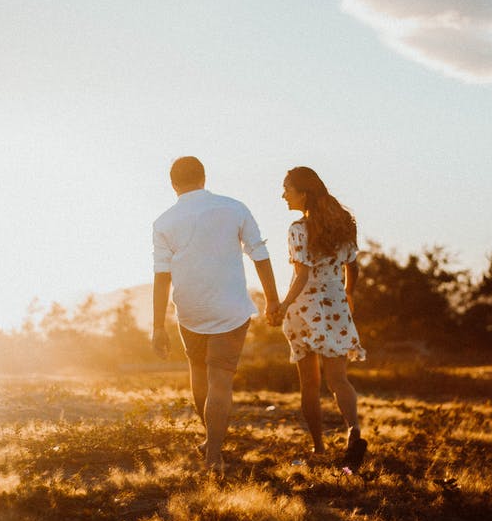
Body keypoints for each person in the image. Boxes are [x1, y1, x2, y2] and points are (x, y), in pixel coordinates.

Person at [152, 156, 280, 472]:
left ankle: (211, 443)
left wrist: (158, 326)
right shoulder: (235, 208)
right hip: (231, 309)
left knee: (199, 374)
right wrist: (273, 300)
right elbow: (259, 255)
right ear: (204, 177)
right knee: (220, 382)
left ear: (172, 184)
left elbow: (161, 275)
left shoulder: (164, 222)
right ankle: (213, 457)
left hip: (190, 311)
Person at [269, 166, 367, 468]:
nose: (283, 194)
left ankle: (319, 449)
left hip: (305, 308)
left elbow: (302, 274)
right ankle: (354, 430)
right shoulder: (343, 225)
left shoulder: (298, 229)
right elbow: (354, 266)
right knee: (339, 379)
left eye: (287, 188)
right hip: (336, 305)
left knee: (309, 384)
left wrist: (284, 304)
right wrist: (348, 294)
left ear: (304, 193)